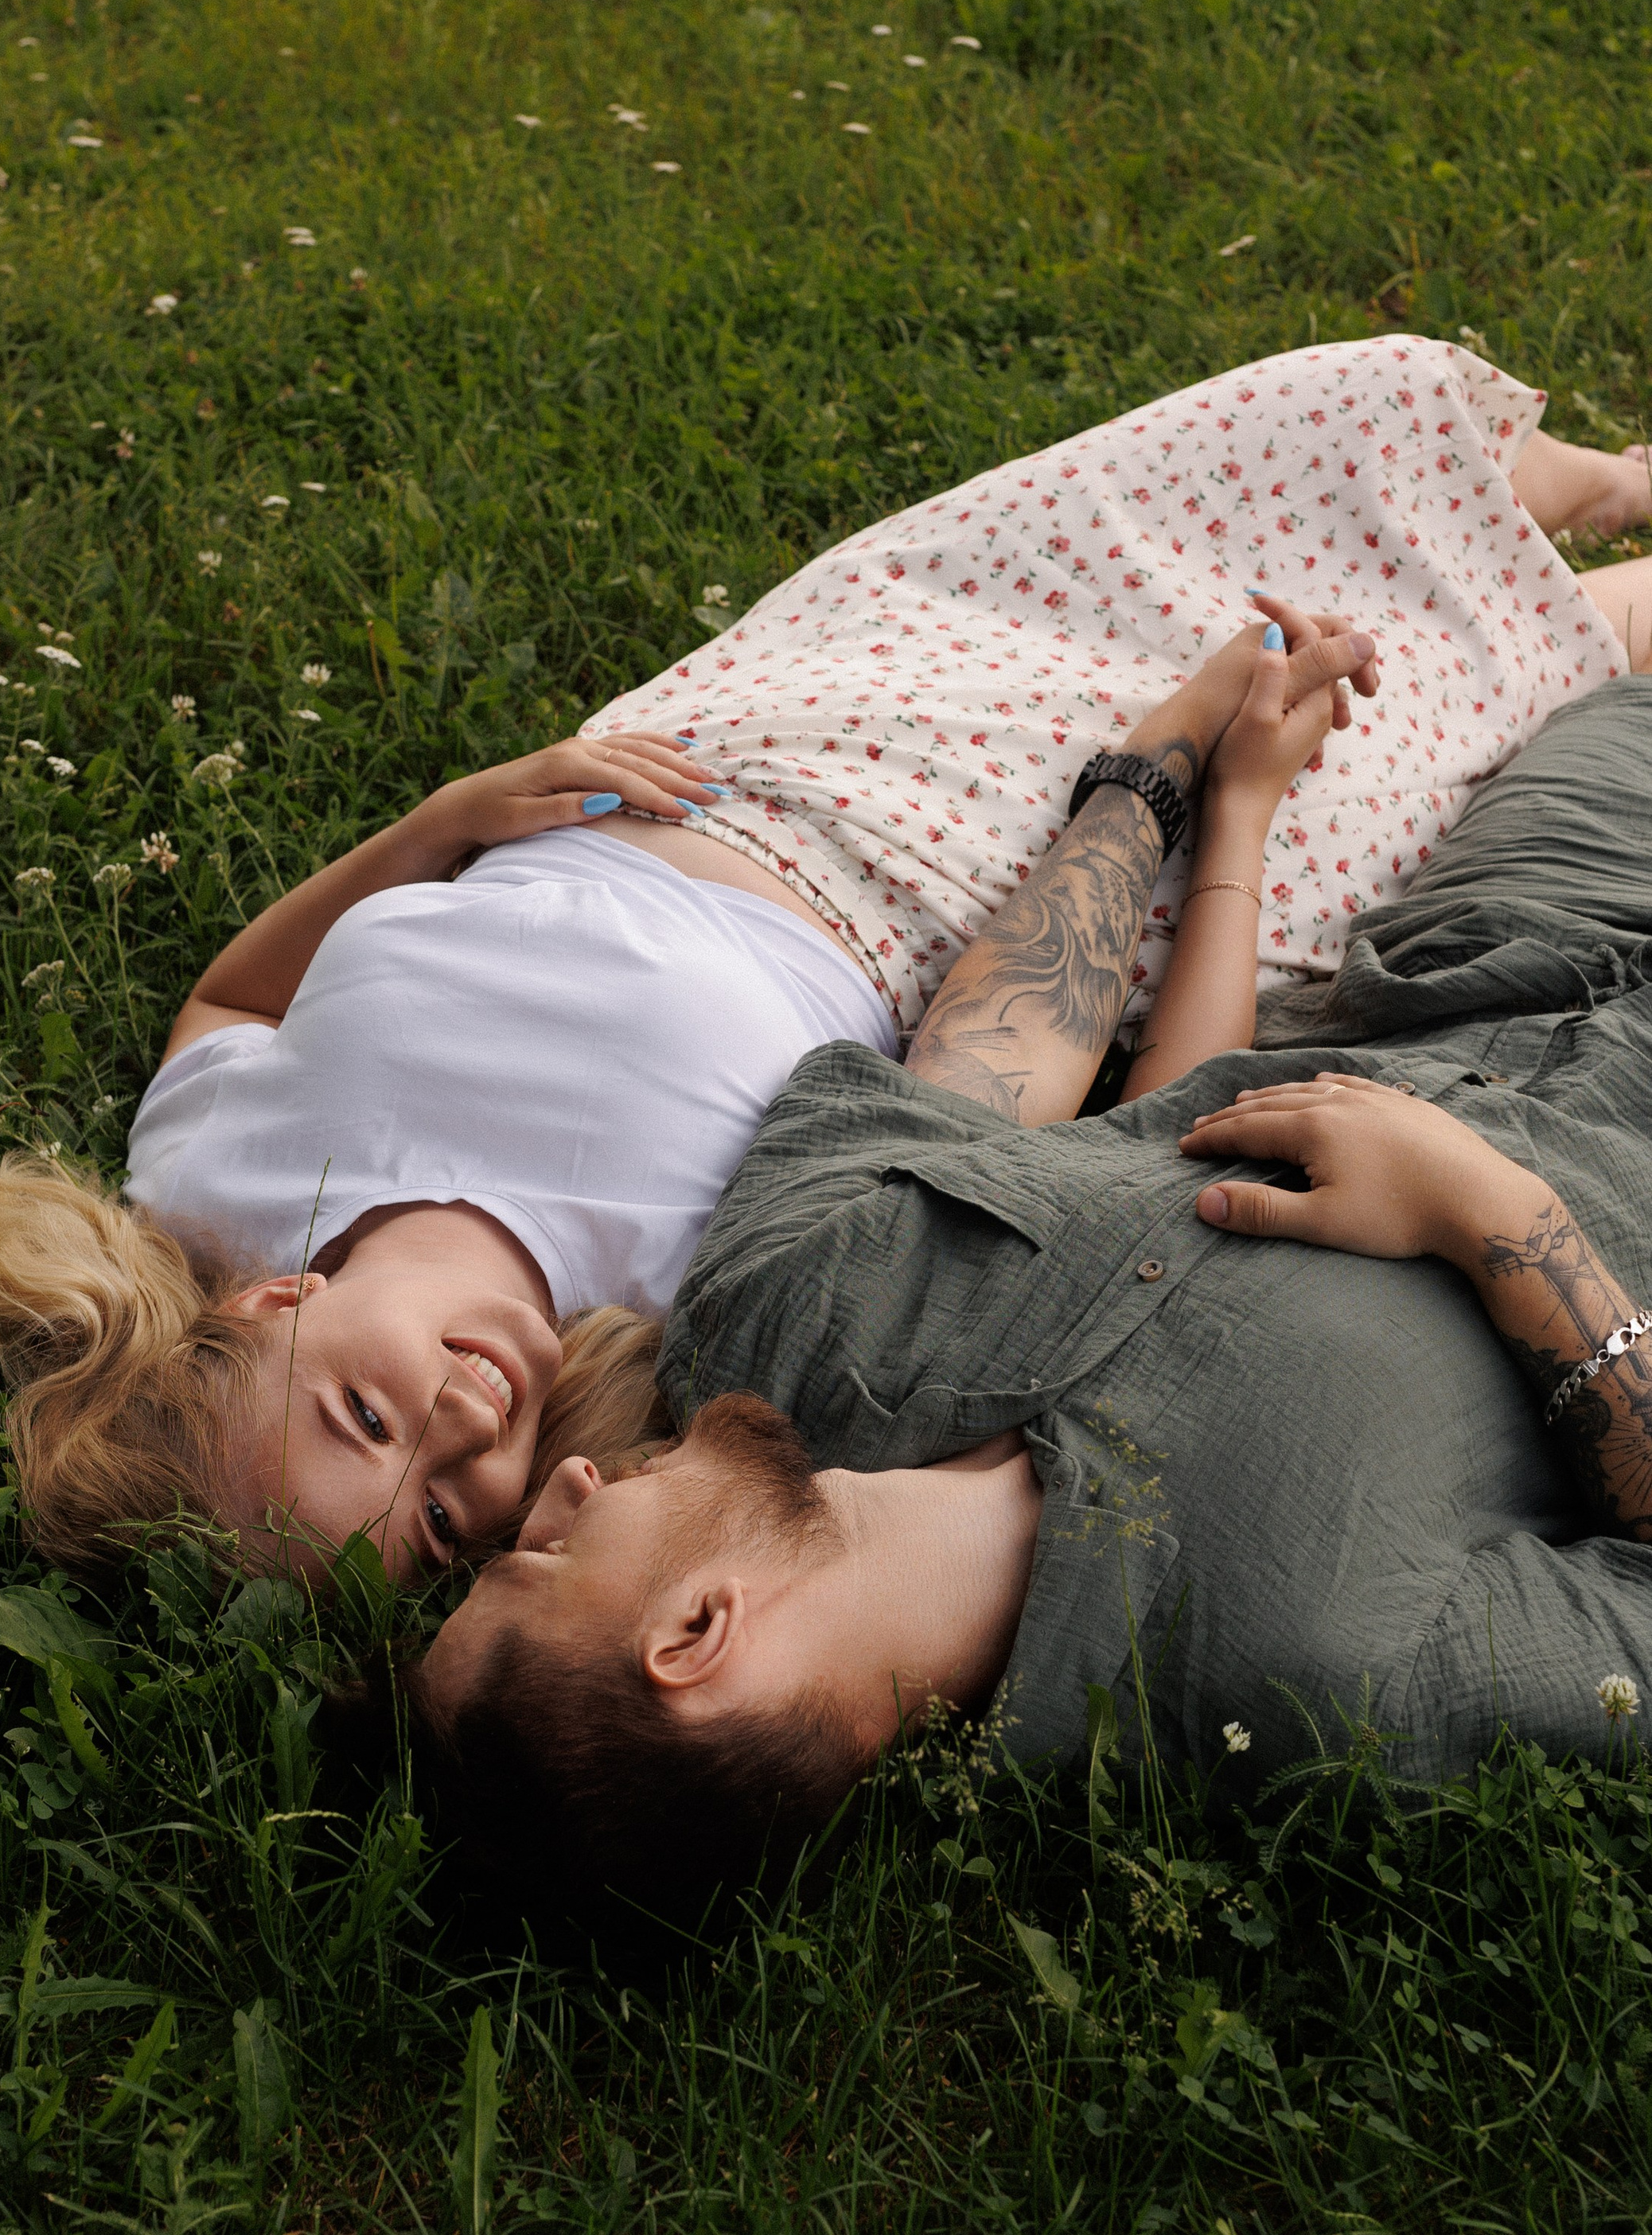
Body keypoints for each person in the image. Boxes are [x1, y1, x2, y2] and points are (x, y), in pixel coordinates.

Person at [0, 334, 1652, 1575]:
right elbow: (1022, 1117)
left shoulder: (222, 1174)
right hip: (967, 871)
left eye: (369, 1416)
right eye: (445, 1515)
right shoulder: (683, 1315)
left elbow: (228, 998)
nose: (462, 1422)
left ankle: (1597, 480)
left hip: (742, 739)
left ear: (273, 1303)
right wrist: (1179, 788)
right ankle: (1593, 600)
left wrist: (443, 822)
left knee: (1291, 429)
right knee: (1416, 678)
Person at [393, 676, 1652, 1934]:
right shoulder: (1306, 1690)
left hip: (1501, 930)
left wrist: (1158, 777)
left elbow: (999, 1051)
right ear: (696, 1632)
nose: (559, 1485)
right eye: (542, 1557)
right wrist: (1499, 1223)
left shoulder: (776, 1312)